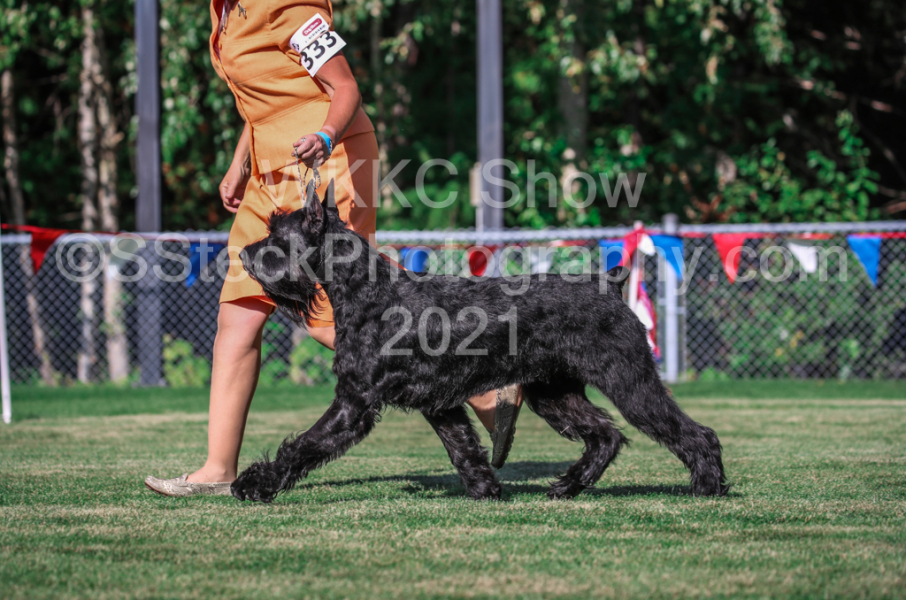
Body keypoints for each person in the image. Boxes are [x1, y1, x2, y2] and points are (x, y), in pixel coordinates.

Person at [145, 0, 522, 497]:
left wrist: (325, 135)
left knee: (336, 316)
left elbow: (345, 87)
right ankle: (219, 468)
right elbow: (263, 97)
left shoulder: (283, 4)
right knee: (237, 314)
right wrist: (241, 161)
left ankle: (480, 388)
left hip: (328, 162)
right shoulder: (224, 12)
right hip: (267, 174)